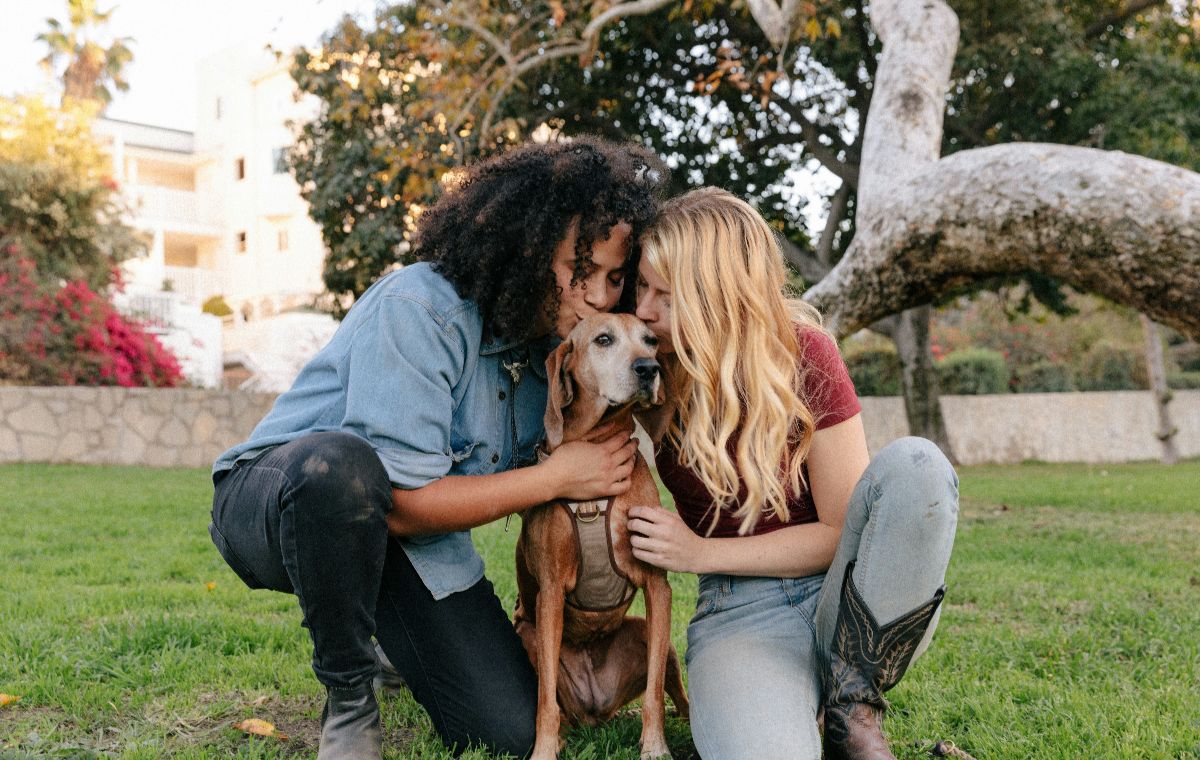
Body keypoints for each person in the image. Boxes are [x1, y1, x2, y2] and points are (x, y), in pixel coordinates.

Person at [208, 137, 667, 759]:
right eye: (578, 270)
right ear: (528, 249)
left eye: (613, 278)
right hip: (284, 500)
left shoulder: (566, 355)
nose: (596, 295)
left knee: (507, 730)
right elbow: (398, 503)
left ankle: (398, 644)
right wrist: (556, 478)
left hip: (412, 543)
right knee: (341, 469)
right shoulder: (421, 309)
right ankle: (349, 696)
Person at [627, 187, 959, 760]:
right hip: (741, 611)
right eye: (640, 286)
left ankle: (851, 707)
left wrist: (698, 552)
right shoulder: (651, 371)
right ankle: (801, 704)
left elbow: (839, 532)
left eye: (667, 296)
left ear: (720, 297)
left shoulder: (804, 354)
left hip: (850, 598)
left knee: (918, 466)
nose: (644, 310)